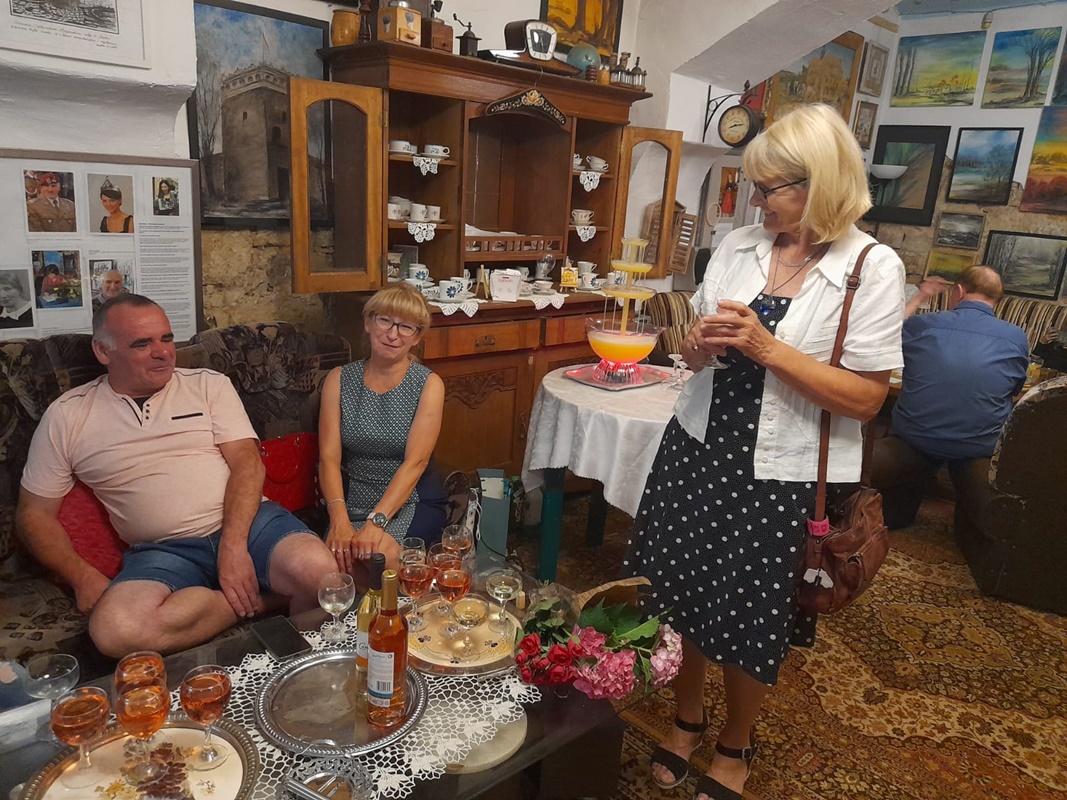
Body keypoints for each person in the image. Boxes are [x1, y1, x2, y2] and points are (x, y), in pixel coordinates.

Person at [625, 104, 904, 800]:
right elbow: (694, 354)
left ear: (819, 183)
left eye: (767, 187)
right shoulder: (739, 245)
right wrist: (695, 346)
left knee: (749, 612)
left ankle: (735, 740)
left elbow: (867, 398)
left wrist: (766, 347)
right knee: (684, 593)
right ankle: (687, 719)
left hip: (779, 473)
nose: (754, 201)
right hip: (697, 447)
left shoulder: (870, 267)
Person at [16, 294, 336, 657]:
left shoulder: (207, 385)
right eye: (142, 344)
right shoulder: (68, 416)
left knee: (321, 576)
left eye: (167, 338)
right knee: (115, 630)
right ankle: (263, 601)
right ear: (103, 351)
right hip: (163, 550)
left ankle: (284, 647)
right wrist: (82, 577)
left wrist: (233, 548)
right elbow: (33, 514)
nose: (163, 353)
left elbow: (248, 463)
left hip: (249, 525)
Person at [872, 266, 1028, 529]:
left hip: (916, 438)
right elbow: (1013, 391)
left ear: (959, 291)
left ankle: (896, 510)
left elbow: (881, 339)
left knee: (915, 437)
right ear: (996, 300)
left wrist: (921, 296)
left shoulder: (923, 324)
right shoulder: (1017, 337)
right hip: (977, 446)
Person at [318, 284, 447, 577]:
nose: (392, 334)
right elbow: (328, 458)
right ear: (368, 322)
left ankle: (401, 599)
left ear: (417, 337)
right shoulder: (339, 379)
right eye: (385, 320)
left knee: (377, 559)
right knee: (328, 566)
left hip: (410, 500)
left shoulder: (429, 384)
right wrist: (339, 520)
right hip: (351, 499)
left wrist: (377, 521)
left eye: (405, 326)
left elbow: (416, 463)